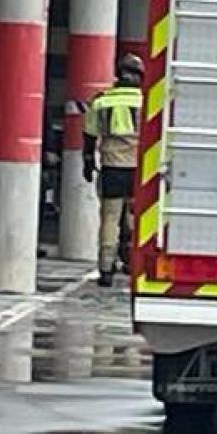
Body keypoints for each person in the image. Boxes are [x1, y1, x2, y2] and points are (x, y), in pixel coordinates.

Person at [84, 54, 145, 287]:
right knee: (135, 216)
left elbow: (89, 135)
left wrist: (88, 162)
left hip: (112, 167)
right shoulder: (146, 100)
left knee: (109, 218)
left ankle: (106, 268)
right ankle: (131, 262)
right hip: (140, 168)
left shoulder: (101, 101)